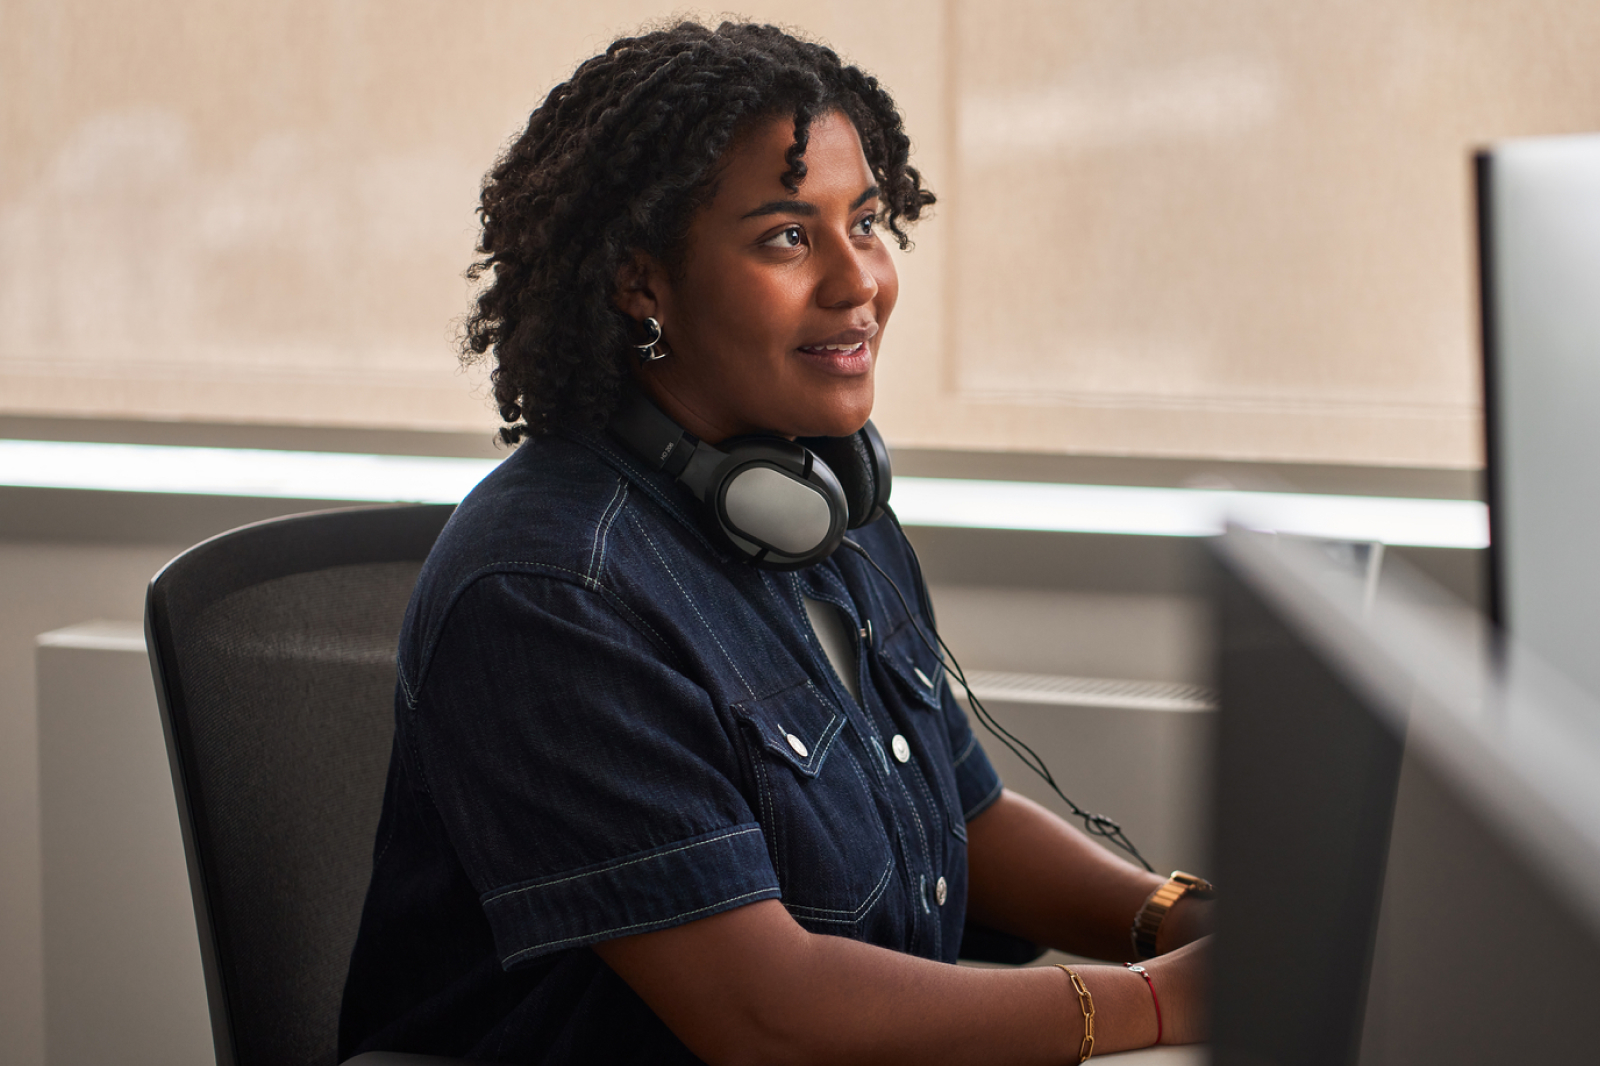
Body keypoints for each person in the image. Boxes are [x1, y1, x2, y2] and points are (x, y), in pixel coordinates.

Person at [340, 20, 1212, 1065]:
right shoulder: (549, 588)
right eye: (787, 237)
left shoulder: (823, 496)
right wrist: (1157, 1005)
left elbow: (962, 816)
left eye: (868, 222)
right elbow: (767, 1013)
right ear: (640, 283)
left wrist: (1175, 920)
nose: (859, 282)